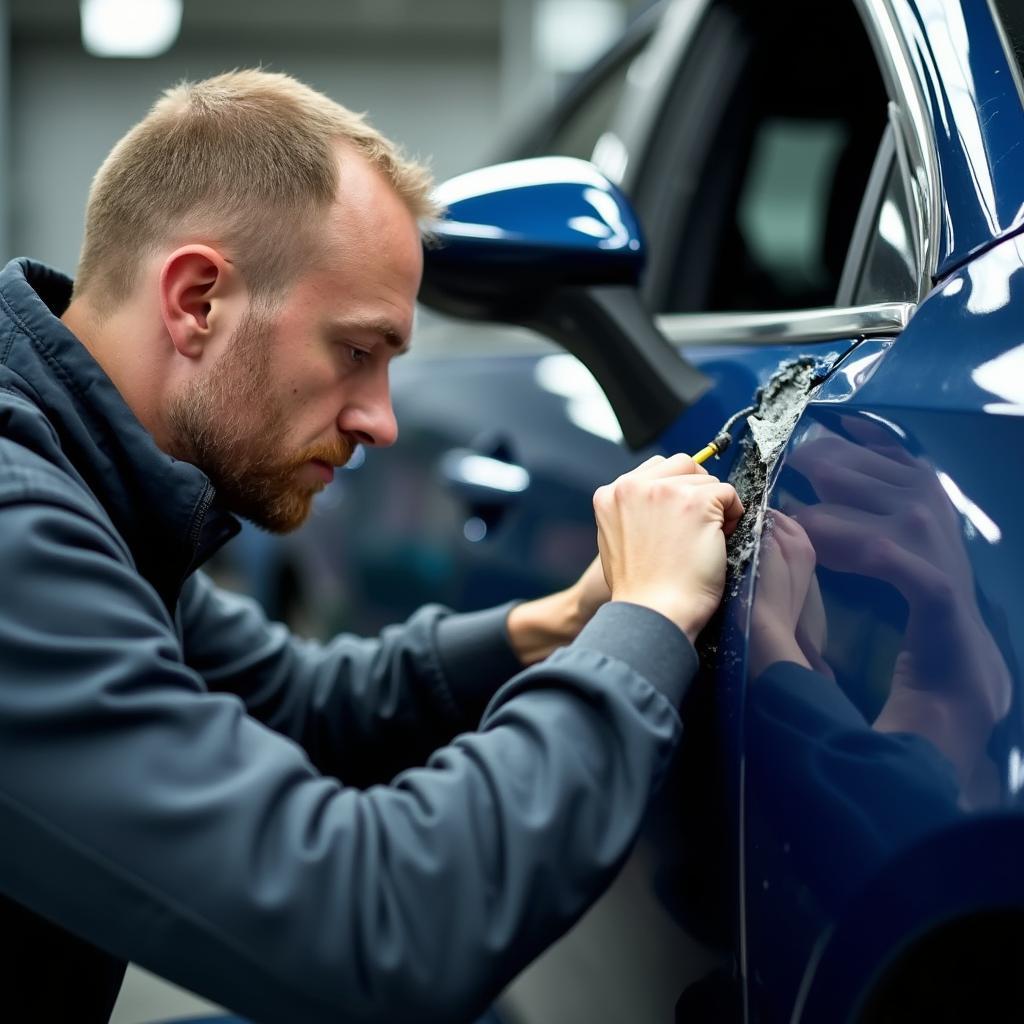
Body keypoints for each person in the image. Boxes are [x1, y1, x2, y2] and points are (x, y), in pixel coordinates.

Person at [0, 70, 743, 1023]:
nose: (383, 422)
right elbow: (380, 928)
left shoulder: (100, 487)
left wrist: (559, 624)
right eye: (357, 351)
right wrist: (644, 630)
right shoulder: (22, 523)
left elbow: (298, 705)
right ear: (196, 301)